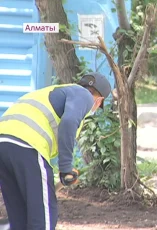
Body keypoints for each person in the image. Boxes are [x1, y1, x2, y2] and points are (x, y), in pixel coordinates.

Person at [0, 72, 111, 230]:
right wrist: (65, 168)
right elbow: (69, 122)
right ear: (99, 100)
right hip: (27, 144)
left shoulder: (56, 91)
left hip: (3, 143)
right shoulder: (84, 95)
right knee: (43, 218)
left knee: (19, 218)